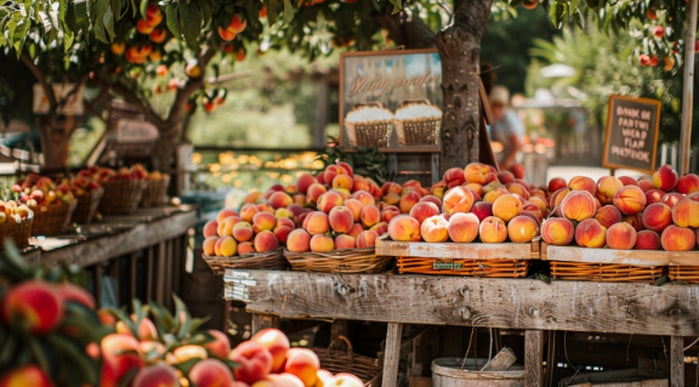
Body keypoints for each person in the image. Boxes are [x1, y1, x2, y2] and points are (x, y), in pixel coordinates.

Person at [488, 85, 524, 171]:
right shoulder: (495, 119)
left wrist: (507, 162)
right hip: (504, 153)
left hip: (513, 155)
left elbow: (516, 144)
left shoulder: (509, 118)